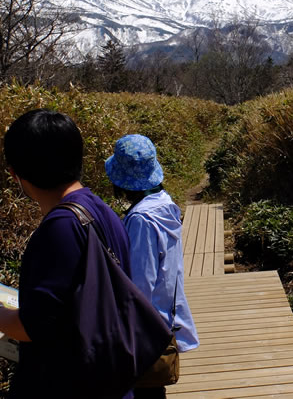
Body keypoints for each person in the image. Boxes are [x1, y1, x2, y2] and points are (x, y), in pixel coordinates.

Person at [0, 109, 137, 398]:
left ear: (16, 174)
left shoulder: (59, 229)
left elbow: (34, 328)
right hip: (109, 376)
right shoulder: (102, 211)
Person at [106, 134, 199, 398]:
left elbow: (140, 283)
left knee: (145, 391)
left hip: (145, 330)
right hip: (164, 318)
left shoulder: (141, 220)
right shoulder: (165, 204)